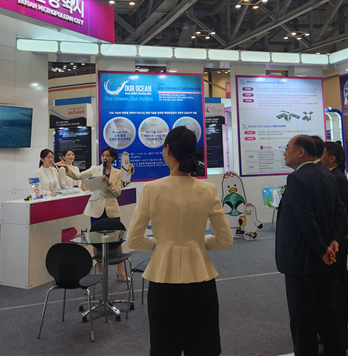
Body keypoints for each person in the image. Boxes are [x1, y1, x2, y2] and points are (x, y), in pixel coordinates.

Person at [128, 126, 232, 355]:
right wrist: (196, 243)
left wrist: (161, 245)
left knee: (165, 348)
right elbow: (225, 241)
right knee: (204, 349)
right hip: (201, 279)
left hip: (163, 278)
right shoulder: (208, 189)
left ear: (167, 150)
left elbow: (133, 240)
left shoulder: (151, 189)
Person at [276, 135, 346, 356]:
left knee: (303, 320)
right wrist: (334, 241)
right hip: (326, 257)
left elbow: (305, 220)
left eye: (287, 148)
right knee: (328, 313)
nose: (284, 152)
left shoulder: (297, 179)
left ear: (300, 152)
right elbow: (340, 212)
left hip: (303, 260)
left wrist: (322, 249)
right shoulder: (326, 173)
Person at [57, 146, 126, 280]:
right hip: (96, 209)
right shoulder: (95, 169)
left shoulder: (117, 172)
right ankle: (100, 270)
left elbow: (118, 192)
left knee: (118, 240)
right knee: (96, 240)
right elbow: (78, 176)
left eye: (107, 156)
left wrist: (109, 183)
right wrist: (66, 168)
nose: (104, 158)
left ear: (113, 158)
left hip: (112, 210)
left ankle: (120, 270)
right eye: (103, 155)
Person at [321, 141, 348, 332]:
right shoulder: (330, 175)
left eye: (322, 154)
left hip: (339, 236)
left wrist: (340, 234)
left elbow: (339, 211)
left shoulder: (338, 178)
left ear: (332, 158)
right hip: (337, 234)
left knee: (341, 276)